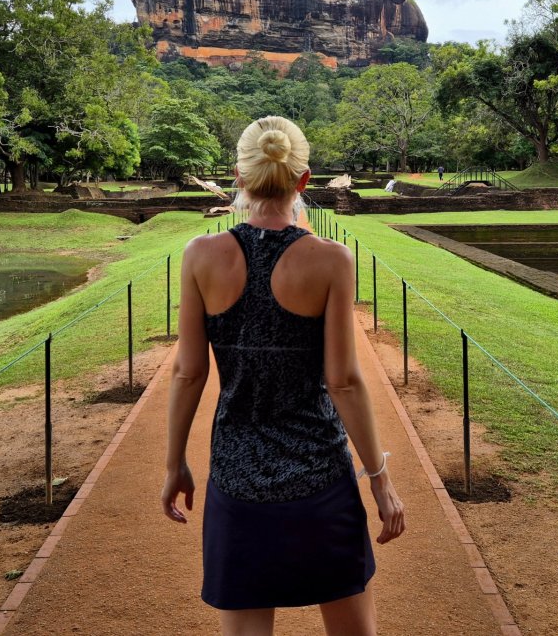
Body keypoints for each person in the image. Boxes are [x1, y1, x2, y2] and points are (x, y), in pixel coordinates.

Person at [162, 115, 406, 636]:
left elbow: (188, 374)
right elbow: (342, 381)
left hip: (236, 475)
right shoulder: (331, 260)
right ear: (303, 179)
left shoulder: (201, 256)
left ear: (239, 177)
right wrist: (379, 480)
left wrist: (173, 462)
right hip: (319, 473)